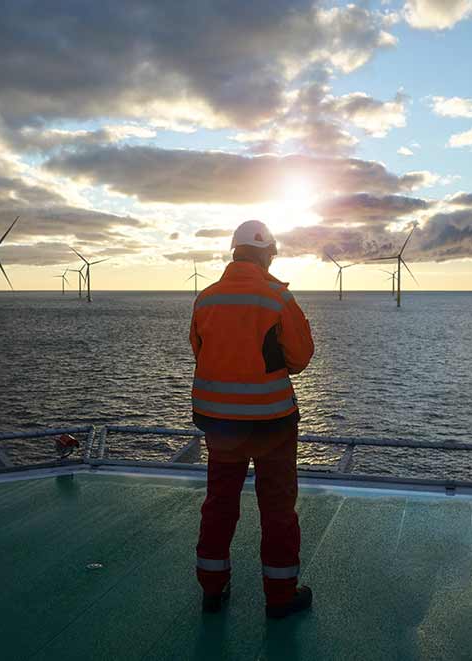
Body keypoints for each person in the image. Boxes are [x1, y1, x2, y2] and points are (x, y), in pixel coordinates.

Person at [189, 219, 315, 619]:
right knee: (277, 509)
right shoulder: (277, 299)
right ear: (266, 254)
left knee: (219, 504)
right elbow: (300, 358)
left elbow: (201, 350)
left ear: (234, 252)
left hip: (219, 425)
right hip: (271, 425)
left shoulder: (205, 300)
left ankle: (213, 588)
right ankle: (280, 597)